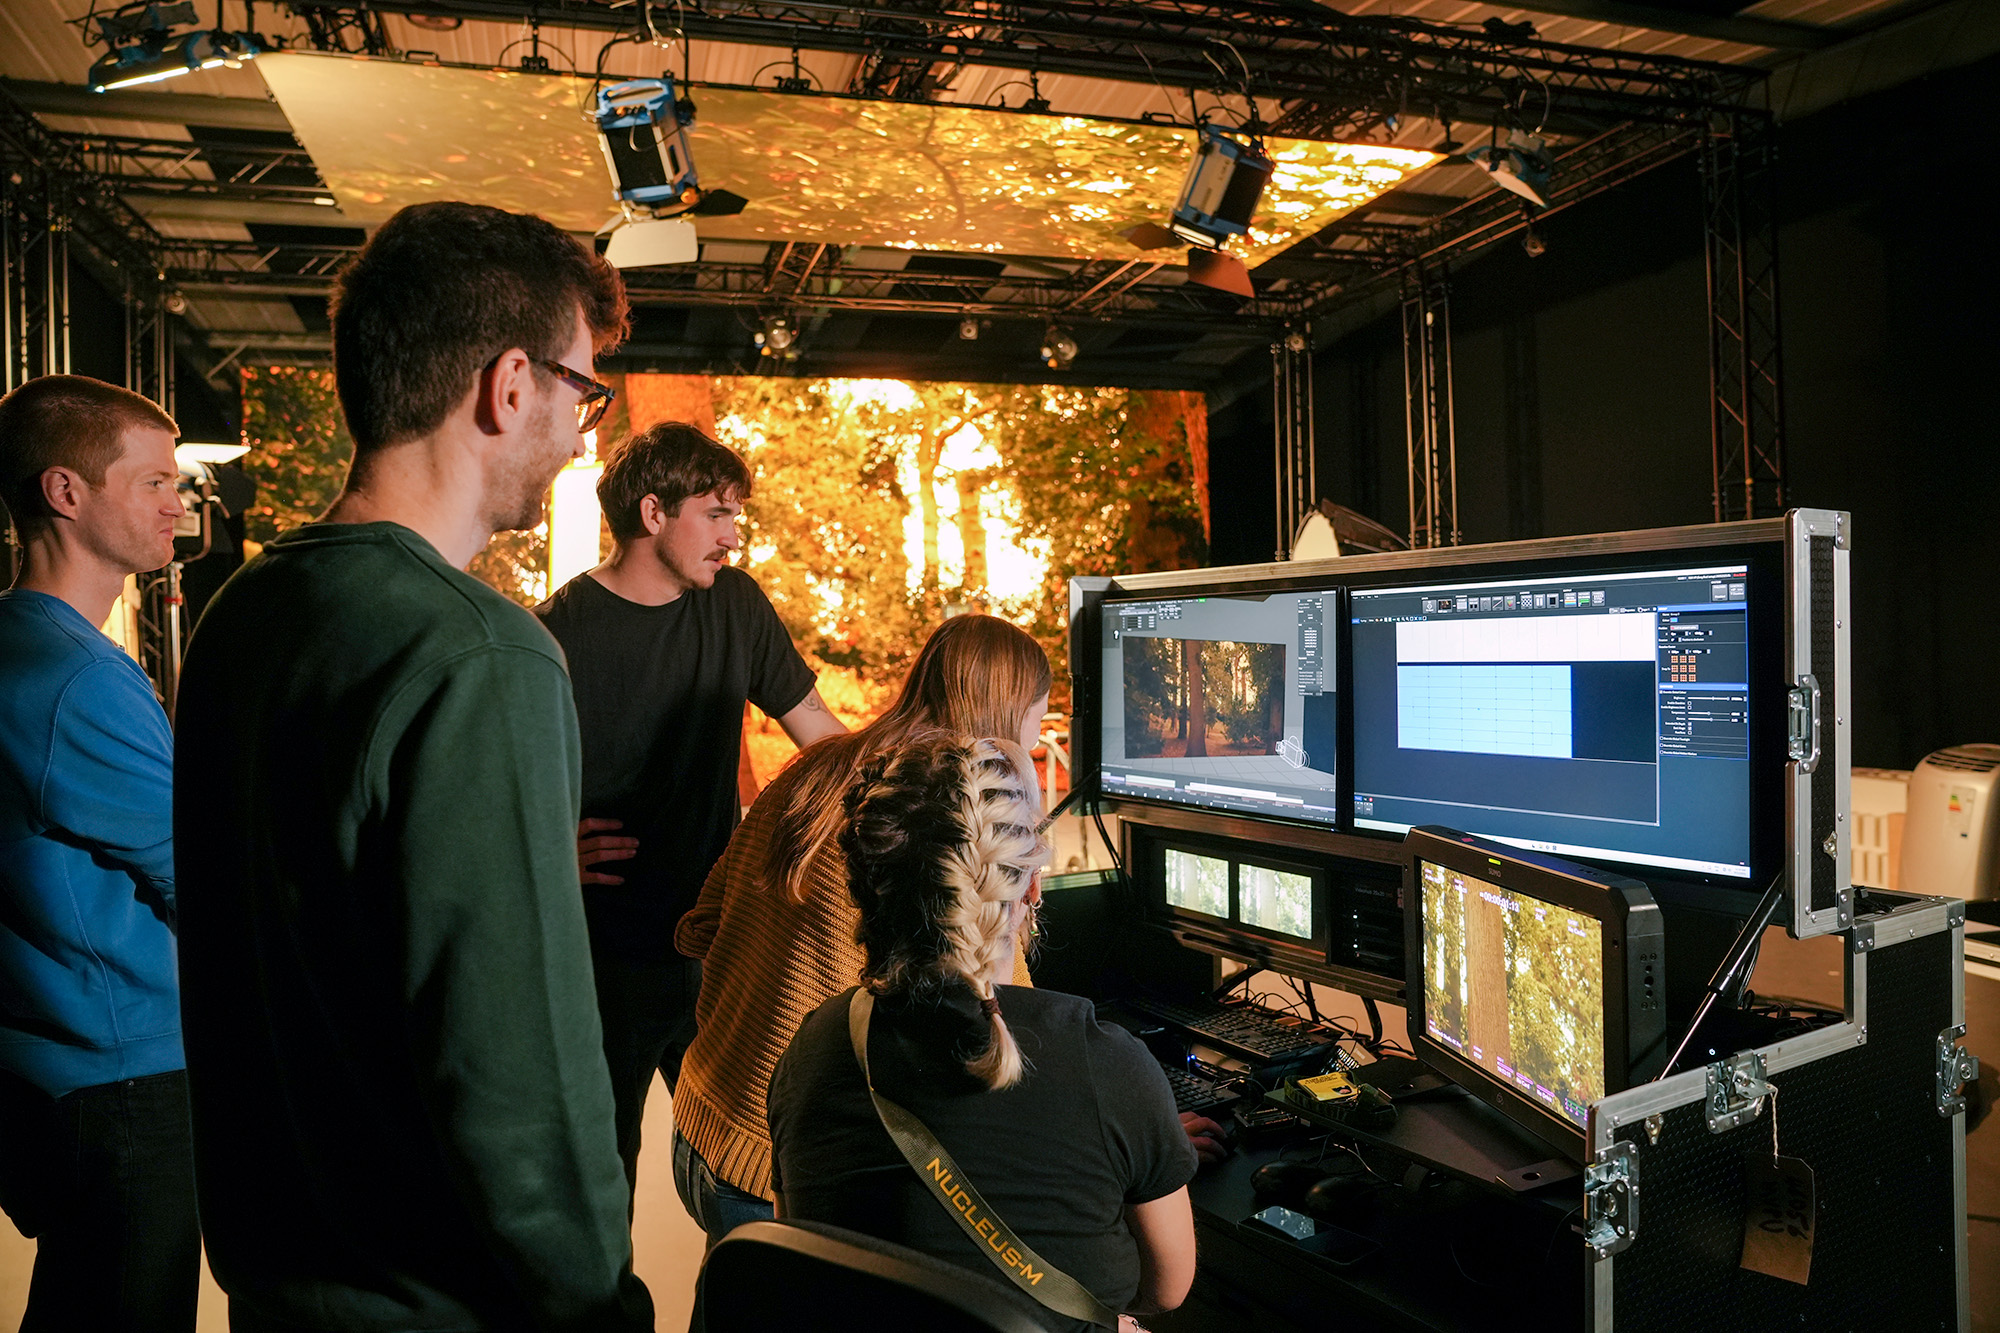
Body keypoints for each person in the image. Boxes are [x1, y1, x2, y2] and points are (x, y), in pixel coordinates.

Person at [172, 201, 652, 1332]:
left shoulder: (246, 611)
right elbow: (514, 1064)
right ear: (509, 384)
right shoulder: (478, 649)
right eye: (586, 391)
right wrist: (596, 1294)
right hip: (446, 1301)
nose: (586, 433)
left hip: (277, 1281)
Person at [767, 733, 1201, 1333]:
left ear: (866, 892)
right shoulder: (1106, 1063)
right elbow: (1167, 1289)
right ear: (1029, 889)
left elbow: (806, 1260)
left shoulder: (813, 1050)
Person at [534, 420, 846, 1198]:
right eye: (718, 513)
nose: (733, 537)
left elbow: (827, 743)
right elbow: (486, 788)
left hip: (717, 954)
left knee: (764, 1172)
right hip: (596, 965)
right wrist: (541, 847)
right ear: (652, 514)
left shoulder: (735, 604)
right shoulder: (550, 635)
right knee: (597, 1191)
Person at [671, 613, 1051, 1244]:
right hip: (785, 1168)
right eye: (1034, 725)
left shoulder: (816, 769)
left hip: (705, 1123)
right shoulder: (944, 832)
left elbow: (702, 924)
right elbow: (995, 1017)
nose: (1035, 744)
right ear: (1010, 716)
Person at [0, 375, 200, 1332]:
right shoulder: (72, 678)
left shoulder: (31, 647)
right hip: (121, 1077)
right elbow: (202, 872)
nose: (180, 503)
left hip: (60, 1068)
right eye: (155, 481)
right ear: (65, 492)